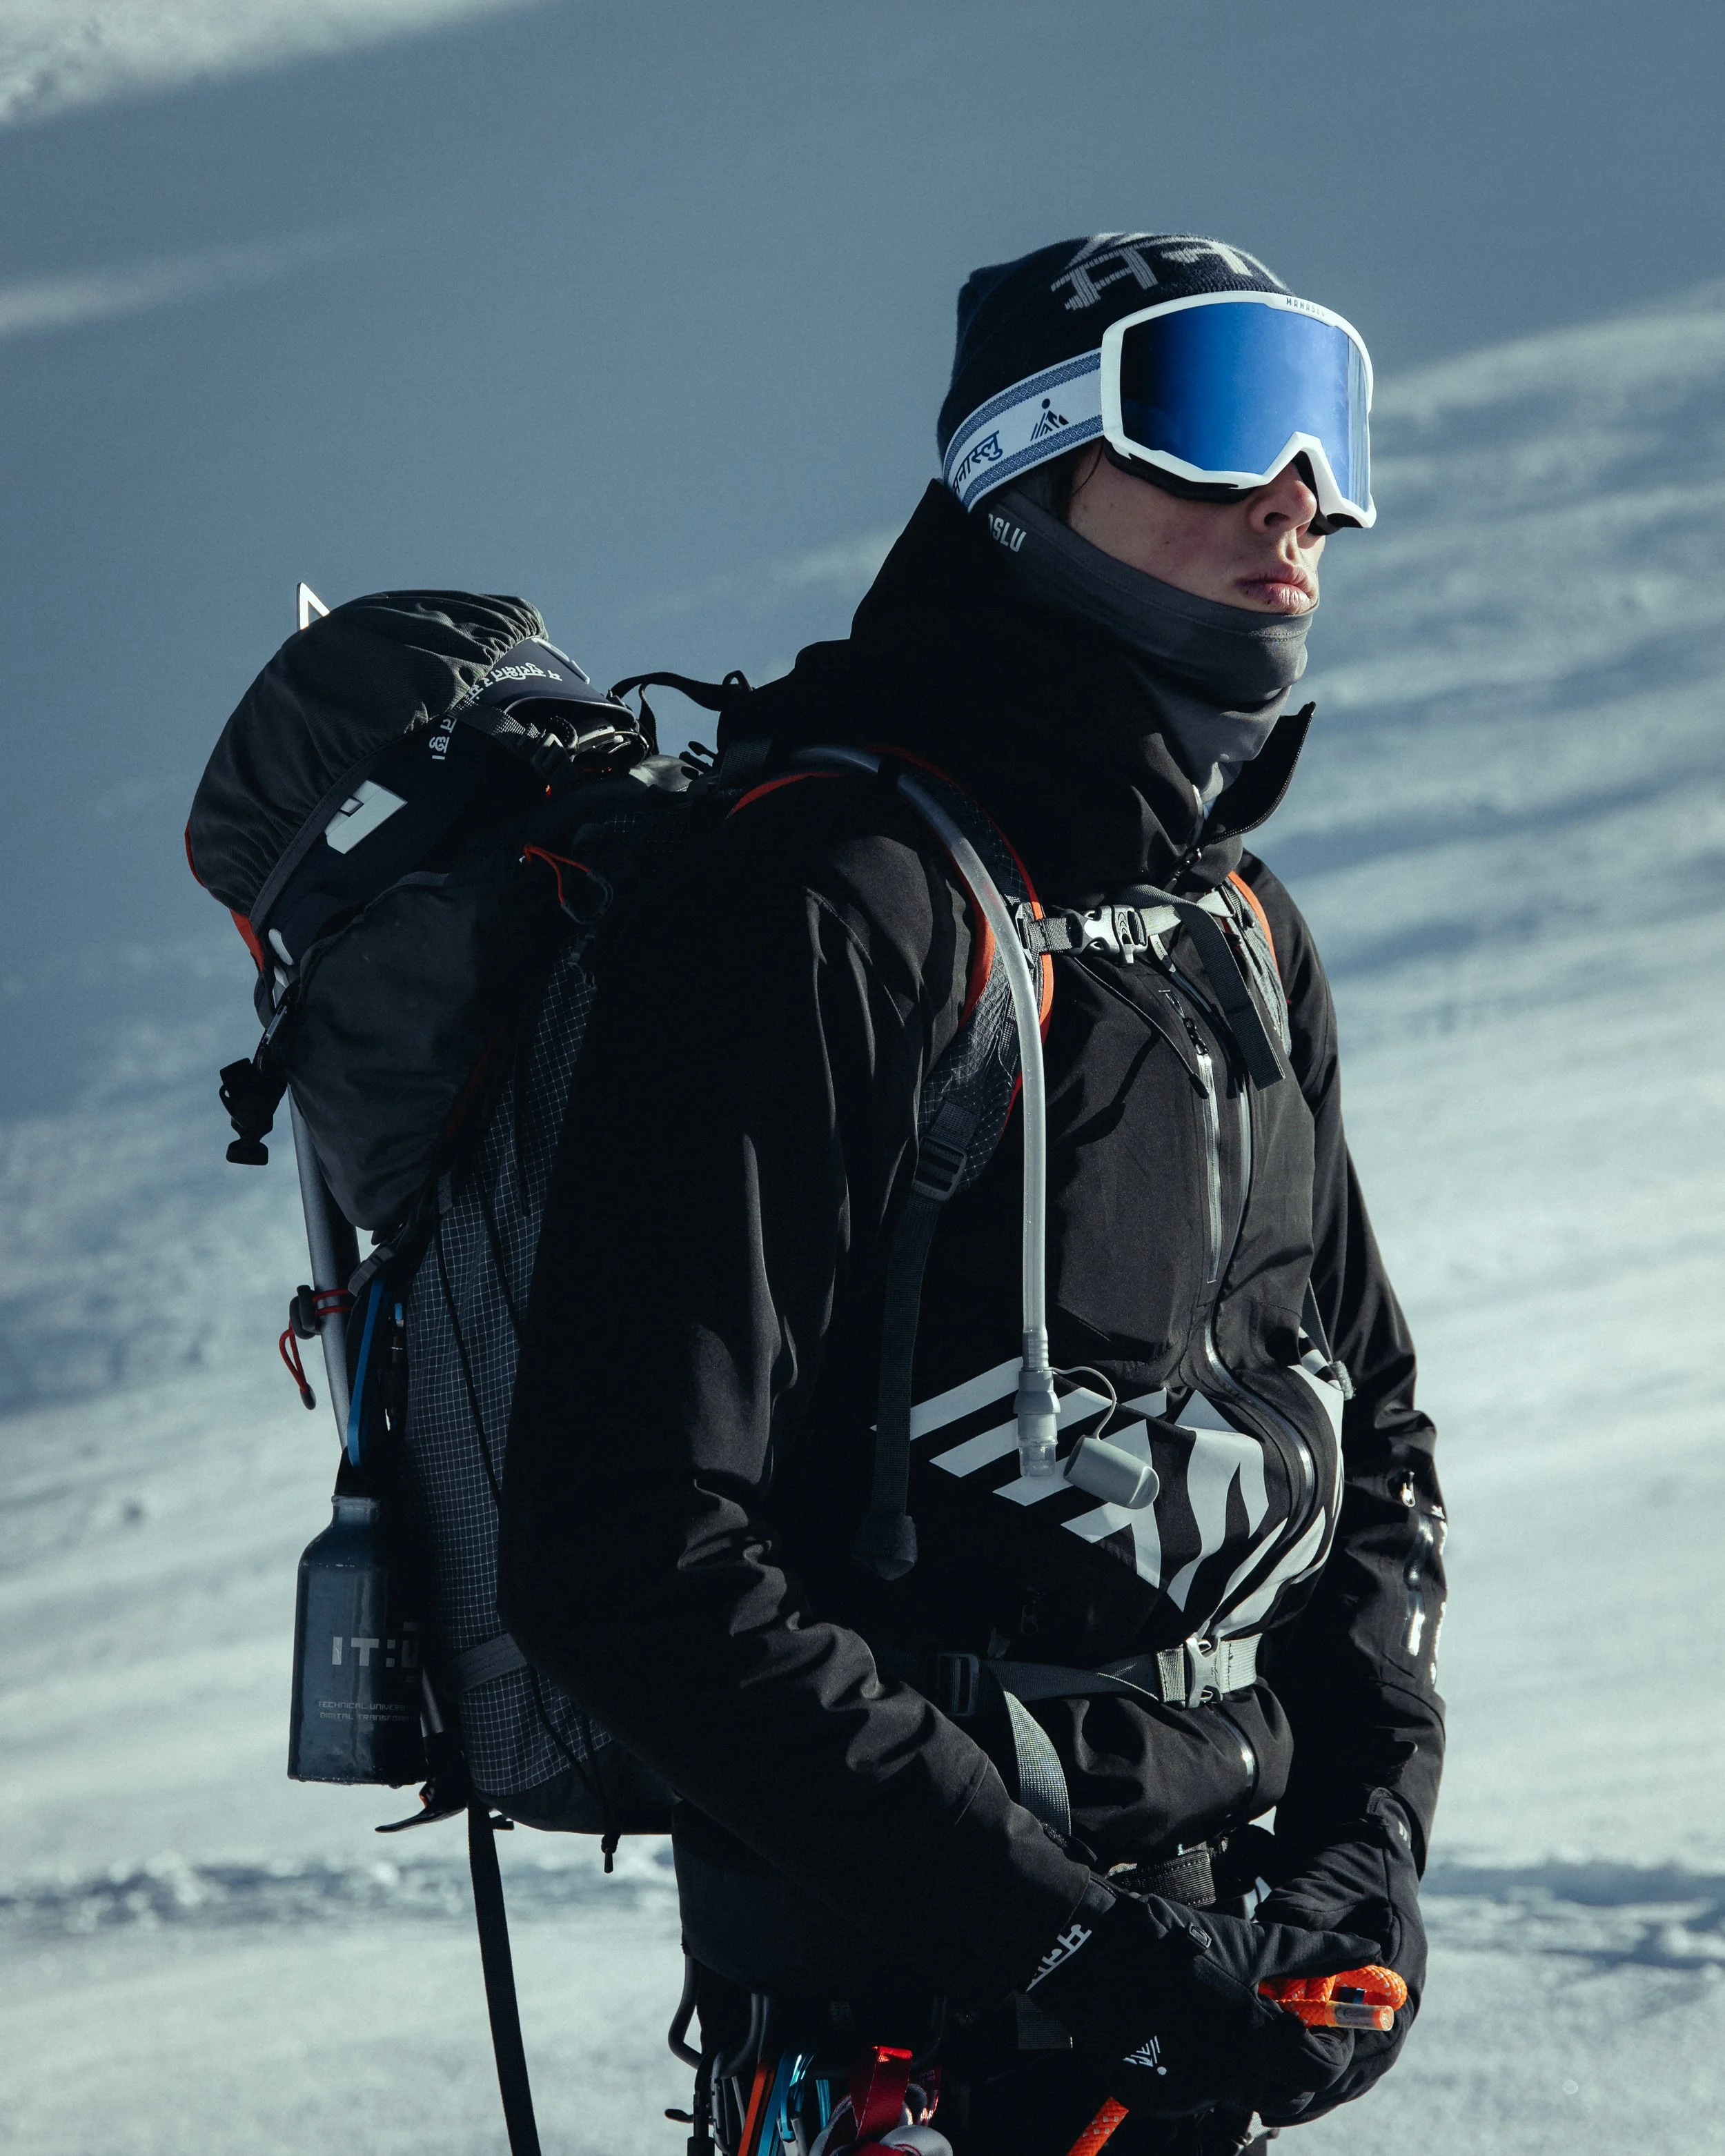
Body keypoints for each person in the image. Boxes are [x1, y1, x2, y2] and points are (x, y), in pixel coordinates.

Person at [500, 232, 1447, 2154]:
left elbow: (1376, 1439)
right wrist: (1060, 1951)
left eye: (1325, 430)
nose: (1293, 493)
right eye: (1212, 411)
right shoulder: (820, 904)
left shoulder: (1236, 931)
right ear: (1024, 473)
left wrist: (1363, 1868)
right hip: (902, 2033)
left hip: (1198, 1982)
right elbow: (630, 1548)